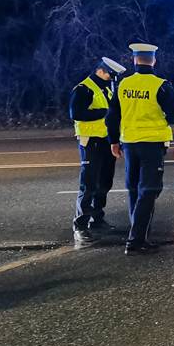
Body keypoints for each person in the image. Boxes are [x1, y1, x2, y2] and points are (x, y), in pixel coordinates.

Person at [106, 43, 174, 255]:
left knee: (134, 190)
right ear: (154, 60)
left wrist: (113, 141)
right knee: (149, 191)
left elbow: (112, 115)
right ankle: (136, 240)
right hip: (152, 143)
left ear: (134, 60)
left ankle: (138, 233)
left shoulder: (123, 84)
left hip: (129, 142)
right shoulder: (161, 85)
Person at [69, 56, 127, 244]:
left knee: (104, 183)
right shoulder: (84, 89)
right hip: (91, 142)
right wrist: (104, 113)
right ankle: (80, 225)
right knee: (88, 185)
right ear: (100, 71)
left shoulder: (106, 90)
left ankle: (97, 218)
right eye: (110, 75)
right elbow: (76, 113)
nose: (112, 78)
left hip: (105, 142)